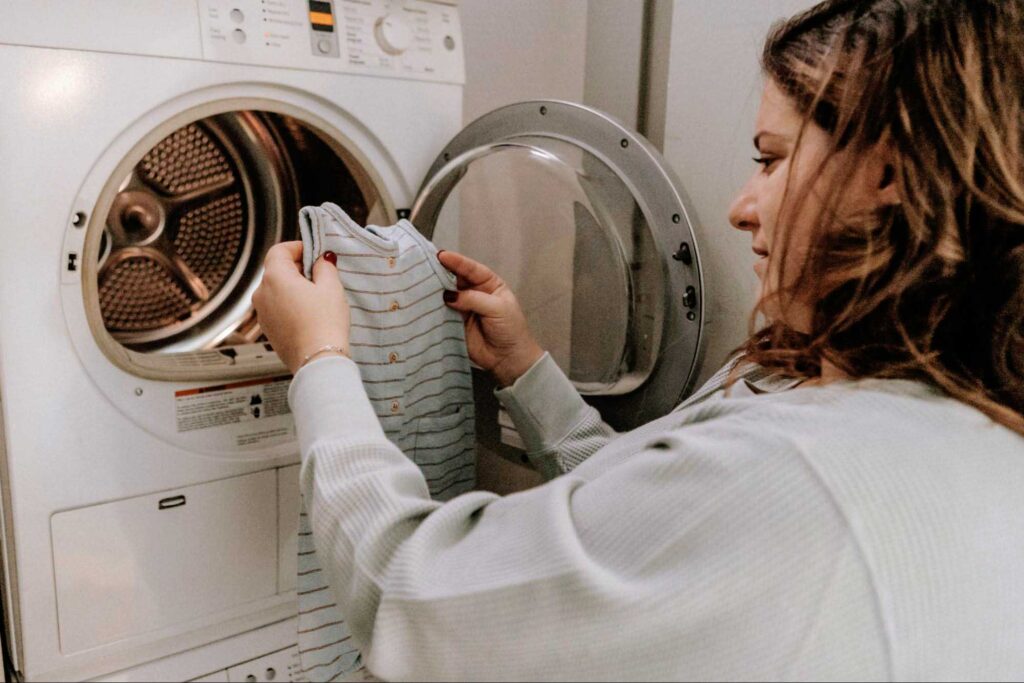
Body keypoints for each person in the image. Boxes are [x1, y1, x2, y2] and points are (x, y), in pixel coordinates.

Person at [252, 0, 1024, 679]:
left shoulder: (797, 469)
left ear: (888, 168)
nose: (740, 207)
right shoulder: (940, 416)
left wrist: (322, 360)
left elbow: (409, 594)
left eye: (772, 158)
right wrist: (526, 370)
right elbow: (649, 527)